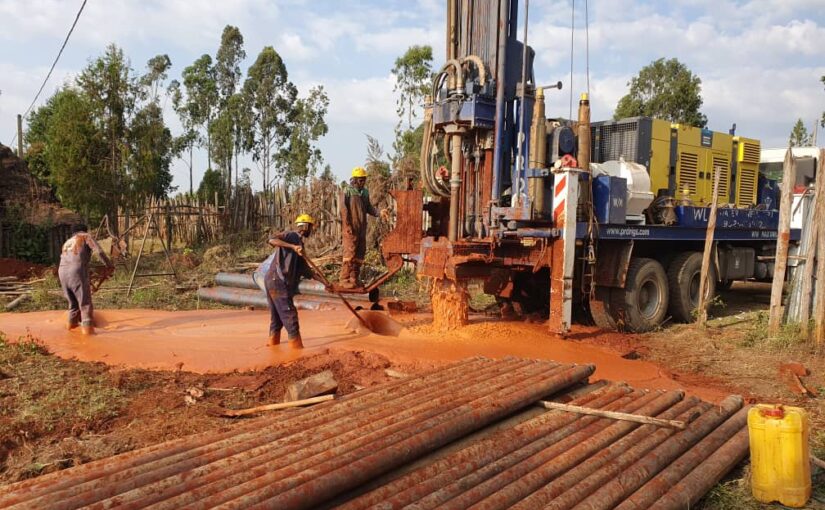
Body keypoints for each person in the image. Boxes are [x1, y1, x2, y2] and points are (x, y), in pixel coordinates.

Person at [265, 214, 324, 349]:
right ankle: (297, 353)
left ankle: (273, 347)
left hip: (272, 280)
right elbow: (272, 239)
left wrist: (326, 284)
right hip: (278, 281)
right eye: (311, 227)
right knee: (290, 316)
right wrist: (292, 246)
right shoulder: (292, 236)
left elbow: (308, 271)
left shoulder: (300, 247)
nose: (312, 230)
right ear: (306, 226)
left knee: (277, 319)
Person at [58, 224, 114, 335]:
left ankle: (71, 332)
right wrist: (109, 264)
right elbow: (99, 251)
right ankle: (89, 338)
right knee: (85, 304)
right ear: (84, 230)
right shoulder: (85, 236)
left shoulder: (67, 242)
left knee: (73, 305)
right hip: (76, 271)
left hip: (62, 272)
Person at [339, 166, 386, 289]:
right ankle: (344, 279)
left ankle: (354, 278)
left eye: (364, 180)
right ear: (354, 180)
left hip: (361, 228)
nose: (363, 182)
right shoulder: (347, 191)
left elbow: (369, 207)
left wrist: (379, 213)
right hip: (350, 228)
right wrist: (348, 226)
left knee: (360, 253)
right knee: (350, 253)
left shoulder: (364, 192)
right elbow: (344, 210)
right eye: (360, 180)